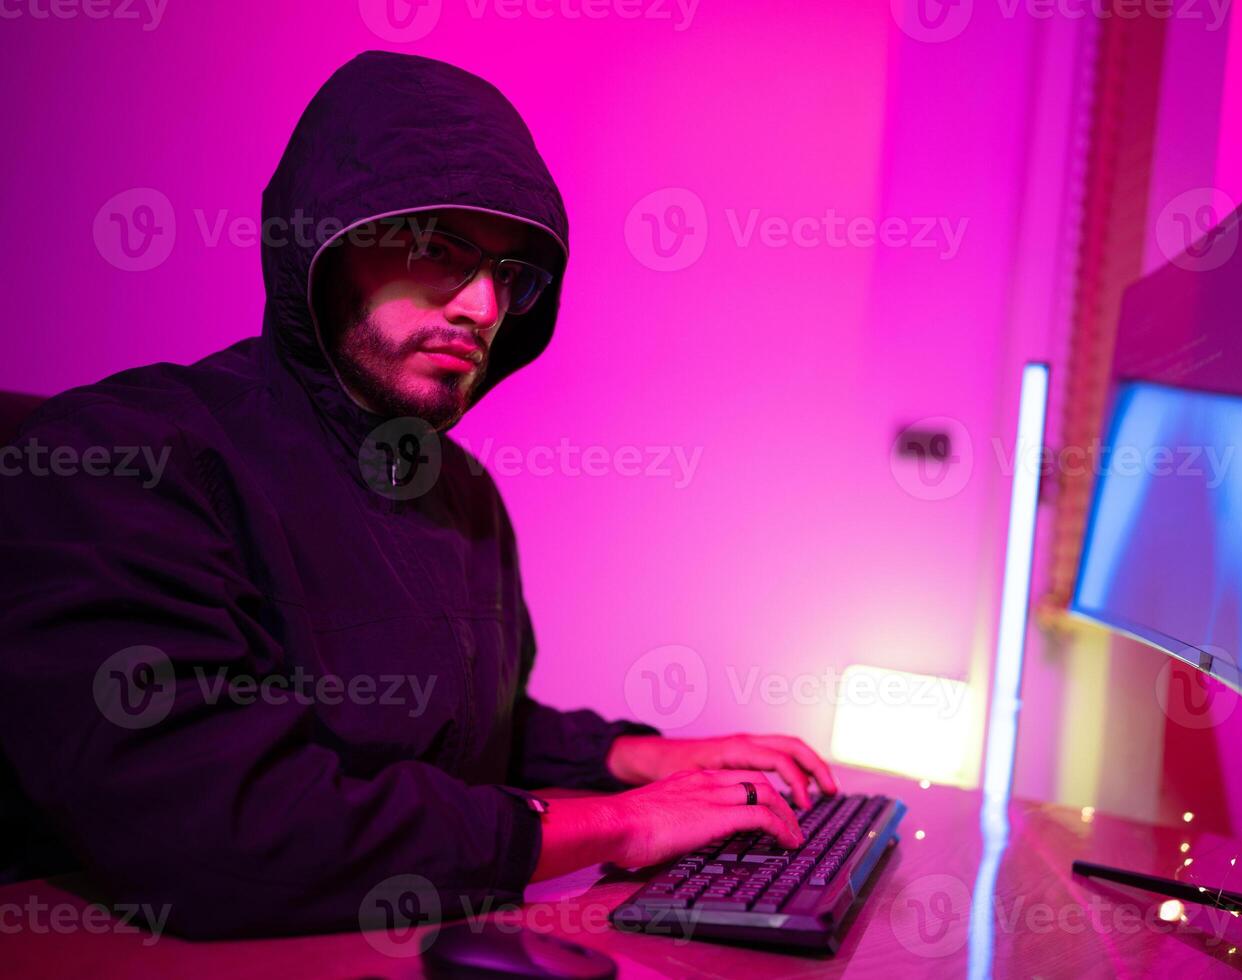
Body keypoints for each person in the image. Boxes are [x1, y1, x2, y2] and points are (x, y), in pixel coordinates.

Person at [0, 50, 836, 939]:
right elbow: (220, 828)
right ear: (328, 245)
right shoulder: (124, 459)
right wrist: (620, 823)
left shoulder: (460, 494)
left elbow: (460, 730)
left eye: (510, 275)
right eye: (439, 250)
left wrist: (642, 757)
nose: (484, 307)